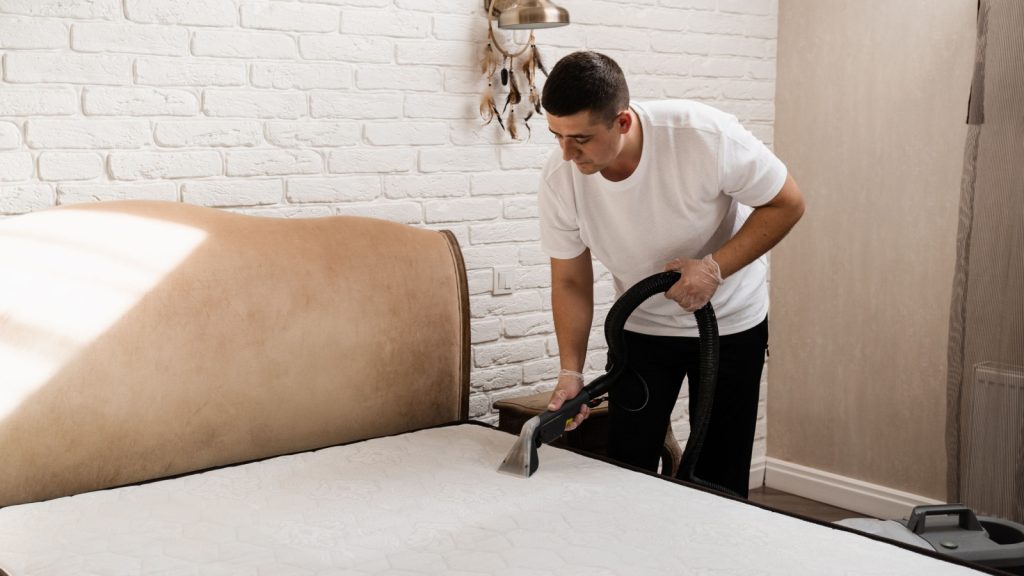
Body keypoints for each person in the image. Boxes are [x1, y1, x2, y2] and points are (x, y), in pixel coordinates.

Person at [537, 51, 805, 498]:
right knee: (627, 464)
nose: (566, 153)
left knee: (718, 472)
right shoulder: (560, 178)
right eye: (556, 136)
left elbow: (787, 203)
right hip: (640, 328)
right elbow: (570, 280)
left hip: (729, 326)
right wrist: (571, 372)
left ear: (622, 122)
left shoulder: (702, 136)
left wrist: (715, 268)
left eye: (580, 138)